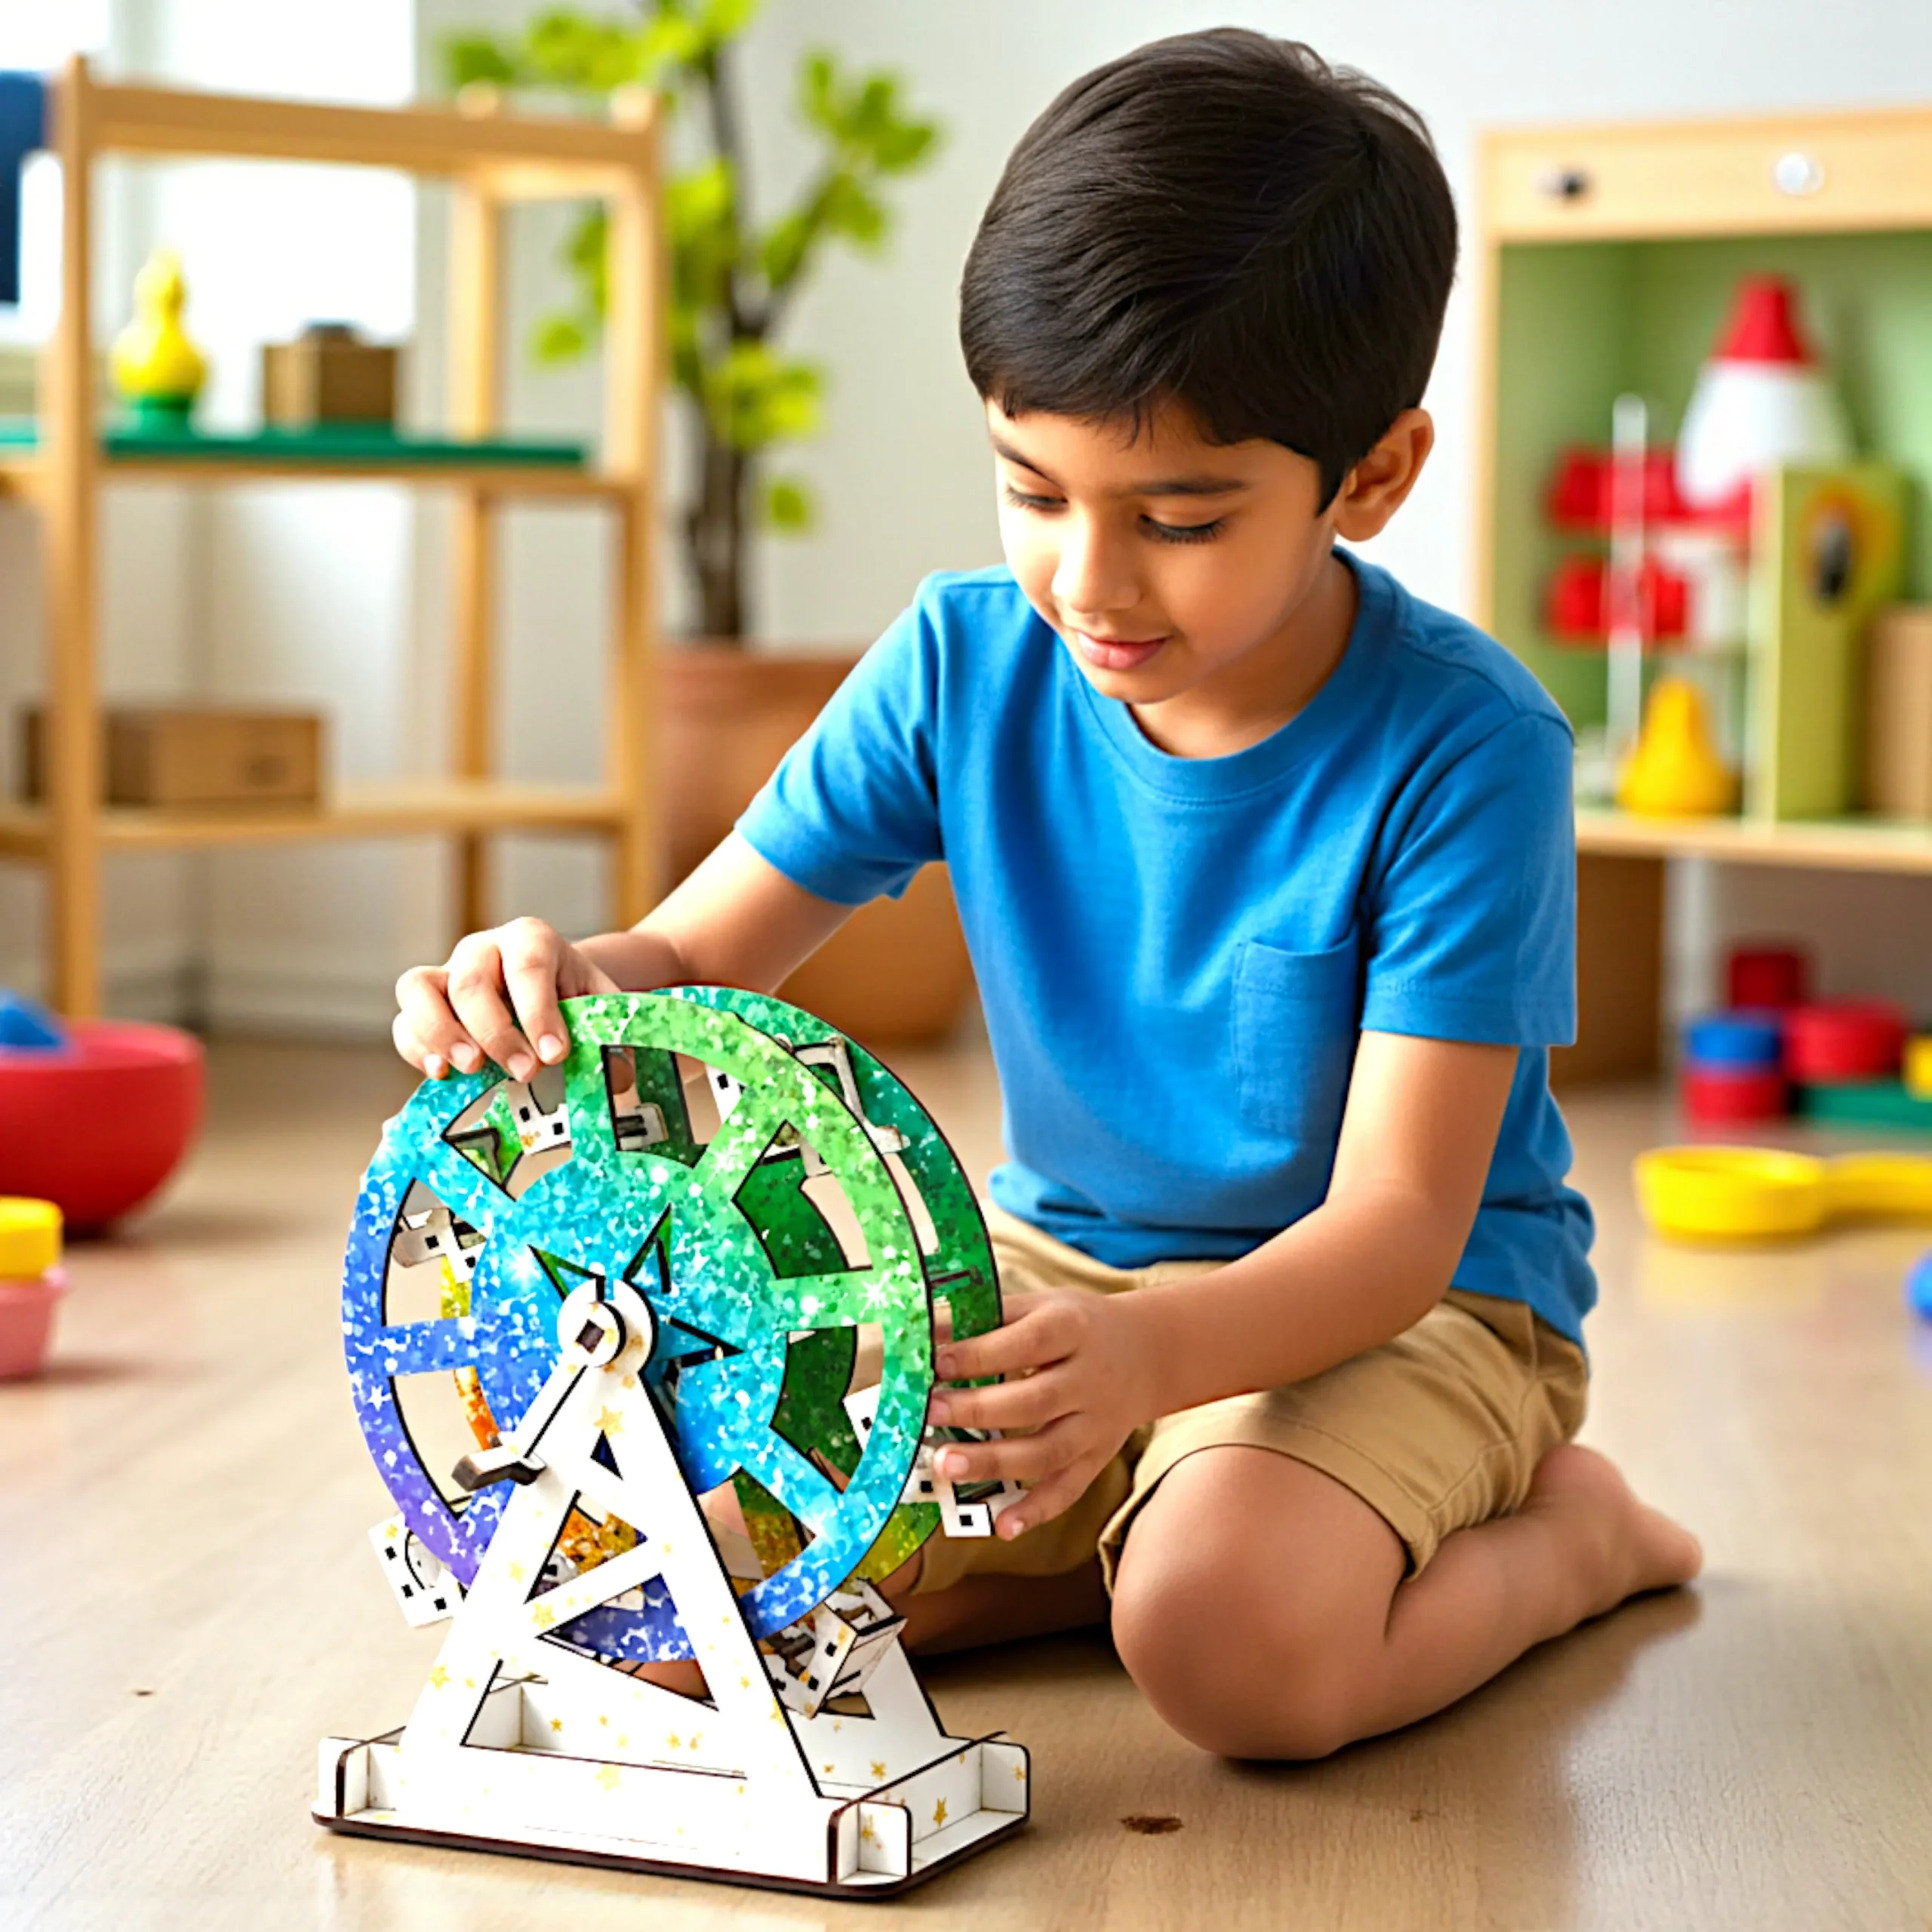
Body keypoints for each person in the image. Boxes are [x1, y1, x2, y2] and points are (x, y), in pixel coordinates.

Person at [392, 27, 1700, 1761]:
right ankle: (1107, 1532)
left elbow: (1395, 1225)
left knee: (1231, 1648)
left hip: (1399, 1312)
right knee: (652, 1596)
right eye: (1030, 488)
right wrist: (546, 975)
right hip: (1047, 1277)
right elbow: (685, 960)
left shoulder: (1468, 748)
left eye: (1178, 513)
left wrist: (1159, 1370)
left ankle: (1567, 1540)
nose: (1087, 577)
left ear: (1369, 475)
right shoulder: (958, 662)